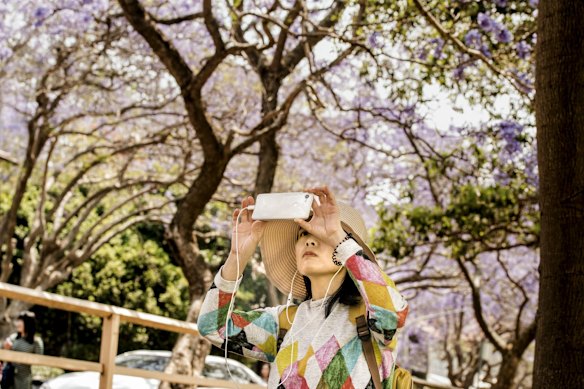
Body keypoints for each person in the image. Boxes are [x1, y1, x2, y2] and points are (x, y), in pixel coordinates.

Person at [198, 186, 408, 388]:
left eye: (321, 234)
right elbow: (214, 327)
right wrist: (237, 257)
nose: (309, 241)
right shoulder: (283, 322)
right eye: (303, 234)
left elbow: (395, 314)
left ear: (346, 245)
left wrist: (336, 236)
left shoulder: (370, 316)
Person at [2, 312, 44, 389]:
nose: (18, 324)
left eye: (20, 321)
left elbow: (39, 360)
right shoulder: (13, 337)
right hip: (9, 376)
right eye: (18, 321)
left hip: (24, 379)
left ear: (28, 323)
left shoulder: (36, 341)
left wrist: (22, 359)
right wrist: (6, 348)